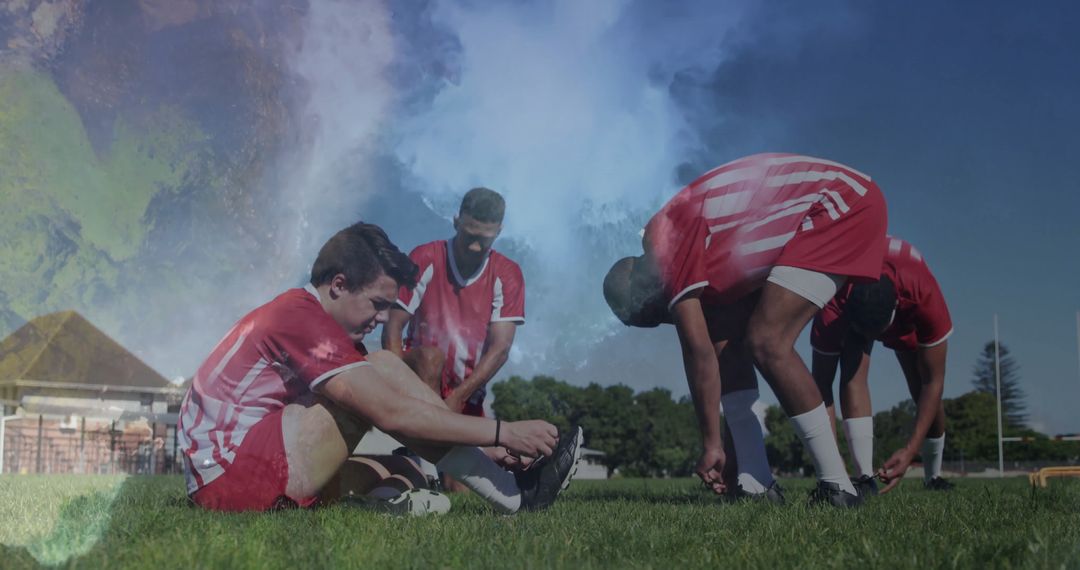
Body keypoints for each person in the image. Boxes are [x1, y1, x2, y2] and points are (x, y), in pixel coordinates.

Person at [178, 222, 582, 513]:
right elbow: (392, 413)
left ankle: (380, 510)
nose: (379, 319)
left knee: (407, 468)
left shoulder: (310, 318)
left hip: (239, 466)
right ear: (338, 285)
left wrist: (488, 448)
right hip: (230, 478)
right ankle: (514, 497)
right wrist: (503, 431)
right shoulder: (300, 318)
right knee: (383, 368)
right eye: (376, 304)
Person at [604, 153, 888, 507]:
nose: (670, 320)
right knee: (730, 343)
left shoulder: (663, 242)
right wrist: (735, 460)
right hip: (833, 202)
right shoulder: (699, 258)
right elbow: (720, 353)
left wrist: (712, 445)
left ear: (646, 296)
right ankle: (757, 485)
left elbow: (697, 351)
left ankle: (837, 487)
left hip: (839, 202)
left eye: (660, 318)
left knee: (769, 341)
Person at [382, 188, 526, 486]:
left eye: (484, 239)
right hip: (419, 375)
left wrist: (458, 398)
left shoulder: (507, 273)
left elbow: (501, 349)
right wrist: (396, 386)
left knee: (458, 487)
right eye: (469, 235)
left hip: (466, 391)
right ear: (456, 222)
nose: (475, 246)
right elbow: (393, 328)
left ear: (498, 232)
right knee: (431, 357)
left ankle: (428, 461)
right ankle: (419, 453)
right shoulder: (425, 257)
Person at [811, 236, 954, 495]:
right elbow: (820, 384)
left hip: (904, 297)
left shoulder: (922, 293)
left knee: (919, 383)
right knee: (852, 372)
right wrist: (832, 465)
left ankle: (934, 475)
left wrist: (911, 451)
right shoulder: (834, 299)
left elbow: (934, 382)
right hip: (854, 286)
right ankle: (864, 477)